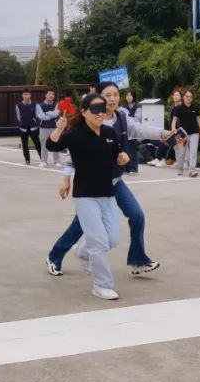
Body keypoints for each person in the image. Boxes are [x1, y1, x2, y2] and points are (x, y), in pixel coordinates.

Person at [48, 82, 160, 280]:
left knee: (136, 215)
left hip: (114, 182)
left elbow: (139, 131)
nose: (112, 99)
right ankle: (56, 256)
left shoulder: (121, 119)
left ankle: (137, 260)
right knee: (81, 225)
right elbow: (72, 154)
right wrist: (66, 179)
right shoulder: (83, 126)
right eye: (107, 95)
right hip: (89, 187)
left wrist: (165, 134)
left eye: (116, 94)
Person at [44, 93, 129, 300]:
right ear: (84, 112)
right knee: (99, 242)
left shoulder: (109, 132)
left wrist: (121, 158)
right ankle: (101, 285)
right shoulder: (75, 133)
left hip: (107, 193)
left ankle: (83, 252)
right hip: (85, 196)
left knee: (112, 239)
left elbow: (116, 154)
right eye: (95, 110)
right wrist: (59, 129)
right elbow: (52, 146)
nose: (100, 113)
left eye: (103, 109)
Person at [170, 89, 200, 177]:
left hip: (194, 132)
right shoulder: (178, 108)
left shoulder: (195, 108)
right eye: (187, 96)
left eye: (191, 97)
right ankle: (180, 169)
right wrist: (173, 129)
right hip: (183, 134)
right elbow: (174, 120)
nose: (189, 98)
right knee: (182, 153)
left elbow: (199, 120)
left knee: (193, 151)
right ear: (183, 97)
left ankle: (192, 170)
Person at [36, 90, 63, 168]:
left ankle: (57, 161)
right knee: (44, 145)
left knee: (55, 143)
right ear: (45, 95)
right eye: (50, 94)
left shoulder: (56, 104)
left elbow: (56, 114)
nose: (51, 95)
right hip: (43, 127)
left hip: (54, 127)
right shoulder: (39, 105)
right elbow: (41, 117)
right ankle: (43, 161)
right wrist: (50, 115)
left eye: (53, 94)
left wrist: (46, 113)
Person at [15, 90, 41, 166]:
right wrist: (23, 122)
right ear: (22, 95)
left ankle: (42, 159)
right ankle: (27, 160)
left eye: (28, 94)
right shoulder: (18, 105)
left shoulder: (35, 104)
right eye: (25, 94)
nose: (26, 96)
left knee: (37, 144)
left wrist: (35, 122)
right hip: (23, 128)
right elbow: (18, 116)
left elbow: (37, 115)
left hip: (33, 127)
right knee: (25, 145)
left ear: (30, 95)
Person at [122, 91, 139, 173]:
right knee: (126, 149)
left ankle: (133, 167)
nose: (128, 97)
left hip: (134, 131)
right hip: (125, 131)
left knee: (133, 150)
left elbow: (137, 119)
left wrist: (128, 117)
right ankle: (126, 167)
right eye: (127, 95)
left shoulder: (137, 107)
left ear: (133, 97)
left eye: (130, 95)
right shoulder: (123, 107)